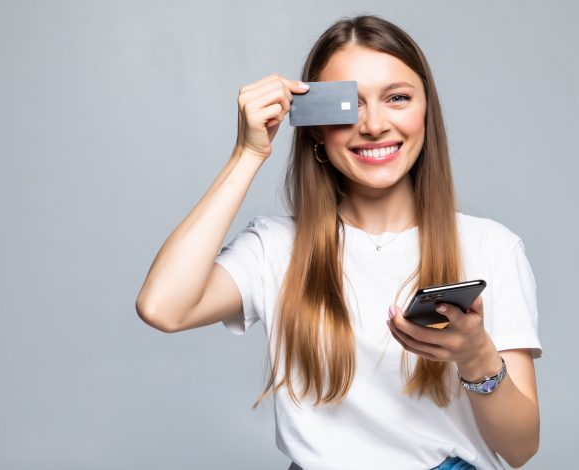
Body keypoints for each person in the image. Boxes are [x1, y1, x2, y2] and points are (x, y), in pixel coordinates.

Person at [136, 14, 542, 470]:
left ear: (426, 113)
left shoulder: (490, 247)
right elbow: (162, 307)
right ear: (314, 126)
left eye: (398, 98)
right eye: (349, 105)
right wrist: (247, 154)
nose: (373, 125)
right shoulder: (276, 248)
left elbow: (521, 448)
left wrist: (477, 357)